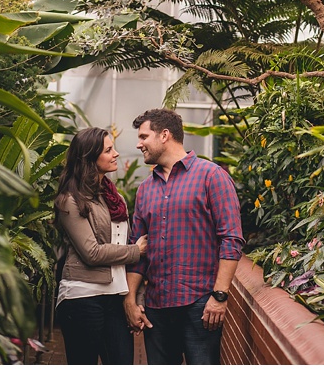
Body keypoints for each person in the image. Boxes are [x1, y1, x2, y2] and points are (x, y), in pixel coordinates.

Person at [124, 108, 244, 365]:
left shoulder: (212, 176)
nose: (139, 144)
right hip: (156, 307)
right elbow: (138, 250)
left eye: (144, 136)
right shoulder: (145, 189)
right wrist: (131, 299)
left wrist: (219, 296)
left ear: (164, 135)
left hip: (200, 306)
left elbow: (231, 239)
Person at [54, 126, 148, 364]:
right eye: (108, 150)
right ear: (89, 158)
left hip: (114, 296)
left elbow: (117, 241)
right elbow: (91, 253)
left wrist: (135, 298)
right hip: (82, 297)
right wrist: (135, 251)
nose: (116, 153)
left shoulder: (112, 196)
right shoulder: (70, 200)